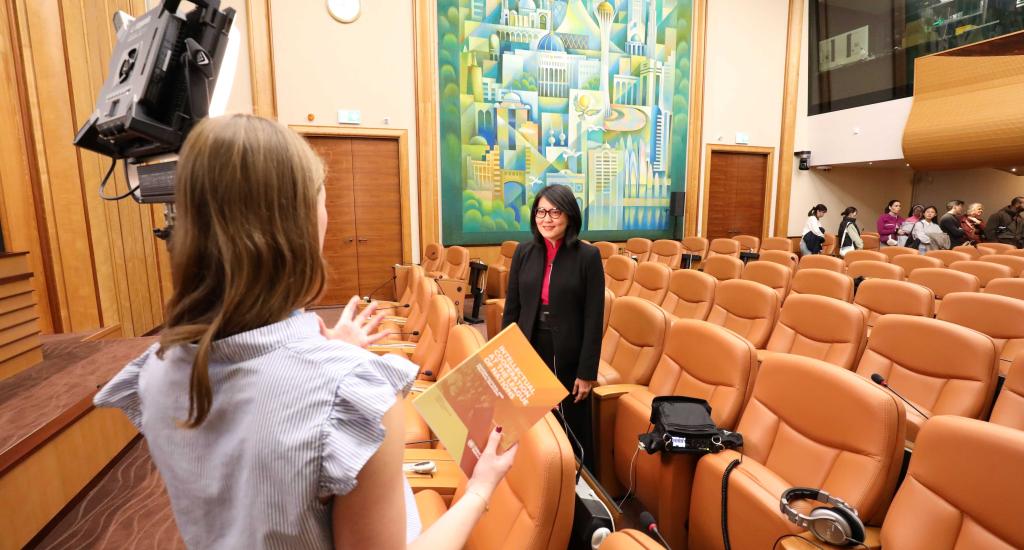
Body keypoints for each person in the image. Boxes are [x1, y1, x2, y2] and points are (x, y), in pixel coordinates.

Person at [93, 115, 517, 550]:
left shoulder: (154, 373)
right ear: (296, 229)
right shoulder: (352, 392)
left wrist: (325, 354)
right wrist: (481, 488)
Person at [502, 185, 604, 473]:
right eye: (541, 211)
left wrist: (587, 373)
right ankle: (533, 482)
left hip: (568, 353)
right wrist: (505, 355)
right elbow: (512, 309)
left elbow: (593, 319)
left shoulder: (588, 257)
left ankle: (580, 487)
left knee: (569, 426)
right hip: (529, 344)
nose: (546, 218)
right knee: (529, 421)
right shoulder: (524, 252)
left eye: (554, 211)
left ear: (570, 215)